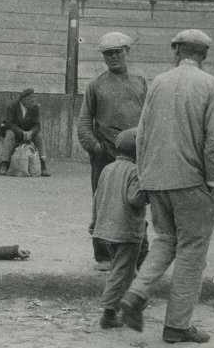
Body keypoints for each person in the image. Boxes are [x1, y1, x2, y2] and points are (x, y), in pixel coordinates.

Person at [119, 29, 214, 344]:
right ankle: (177, 325)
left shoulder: (159, 83)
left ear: (176, 51)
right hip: (193, 181)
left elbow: (142, 134)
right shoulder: (212, 86)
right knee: (193, 251)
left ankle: (136, 294)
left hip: (156, 179)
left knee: (166, 240)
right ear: (204, 55)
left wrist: (146, 175)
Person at [77, 32, 147, 271]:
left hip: (136, 155)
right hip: (105, 155)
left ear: (127, 51)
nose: (113, 57)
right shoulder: (96, 85)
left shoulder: (140, 82)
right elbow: (84, 123)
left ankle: (138, 255)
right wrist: (95, 148)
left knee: (136, 201)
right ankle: (104, 256)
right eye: (108, 54)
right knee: (102, 202)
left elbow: (150, 118)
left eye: (117, 52)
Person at [88, 128, 148, 329]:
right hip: (127, 232)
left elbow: (97, 198)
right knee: (121, 272)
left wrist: (94, 222)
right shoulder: (135, 172)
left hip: (105, 231)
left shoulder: (107, 169)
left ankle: (134, 303)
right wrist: (148, 191)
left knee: (123, 270)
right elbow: (135, 198)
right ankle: (109, 312)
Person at [0, 88, 50, 177]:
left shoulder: (34, 107)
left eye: (34, 100)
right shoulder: (12, 106)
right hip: (15, 131)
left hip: (28, 133)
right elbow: (10, 124)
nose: (33, 103)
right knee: (9, 134)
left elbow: (37, 124)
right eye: (30, 100)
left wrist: (31, 132)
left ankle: (43, 164)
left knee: (39, 135)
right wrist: (22, 132)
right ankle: (4, 163)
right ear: (23, 100)